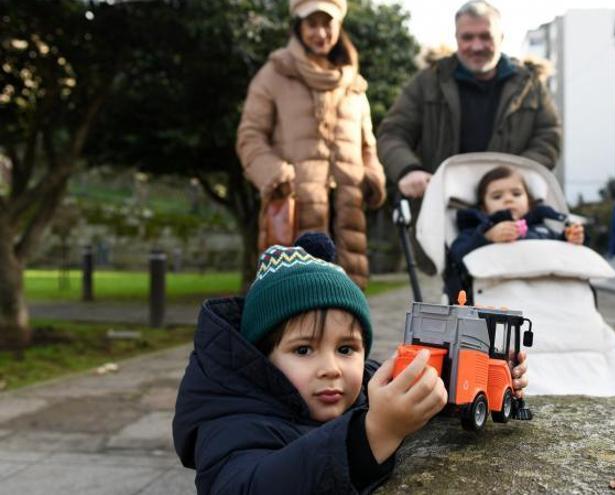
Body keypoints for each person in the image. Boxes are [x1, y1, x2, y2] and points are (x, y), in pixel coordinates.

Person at [172, 233, 531, 494]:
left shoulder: (360, 388)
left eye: (346, 349)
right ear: (263, 356)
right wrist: (374, 434)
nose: (331, 368)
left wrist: (481, 372)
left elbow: (408, 392)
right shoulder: (232, 422)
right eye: (303, 350)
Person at [377, 0, 562, 266]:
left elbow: (549, 134)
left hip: (510, 213)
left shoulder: (529, 85)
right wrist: (408, 170)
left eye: (485, 36)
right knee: (455, 292)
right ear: (456, 38)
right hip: (448, 213)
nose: (477, 46)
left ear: (501, 37)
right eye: (468, 37)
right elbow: (393, 133)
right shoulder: (428, 82)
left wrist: (517, 175)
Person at [236, 0, 386, 289]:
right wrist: (276, 174)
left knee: (346, 310)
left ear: (338, 26)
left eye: (327, 23)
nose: (320, 32)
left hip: (347, 214)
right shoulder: (274, 74)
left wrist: (372, 176)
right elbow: (249, 136)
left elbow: (369, 147)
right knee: (294, 308)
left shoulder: (354, 84)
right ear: (298, 27)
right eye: (311, 23)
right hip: (296, 209)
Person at [445, 166, 584, 301]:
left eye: (516, 194)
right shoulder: (477, 230)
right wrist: (487, 237)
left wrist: (569, 238)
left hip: (545, 292)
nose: (508, 199)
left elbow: (561, 256)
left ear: (529, 201)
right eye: (497, 196)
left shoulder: (542, 228)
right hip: (498, 294)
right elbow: (457, 254)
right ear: (484, 208)